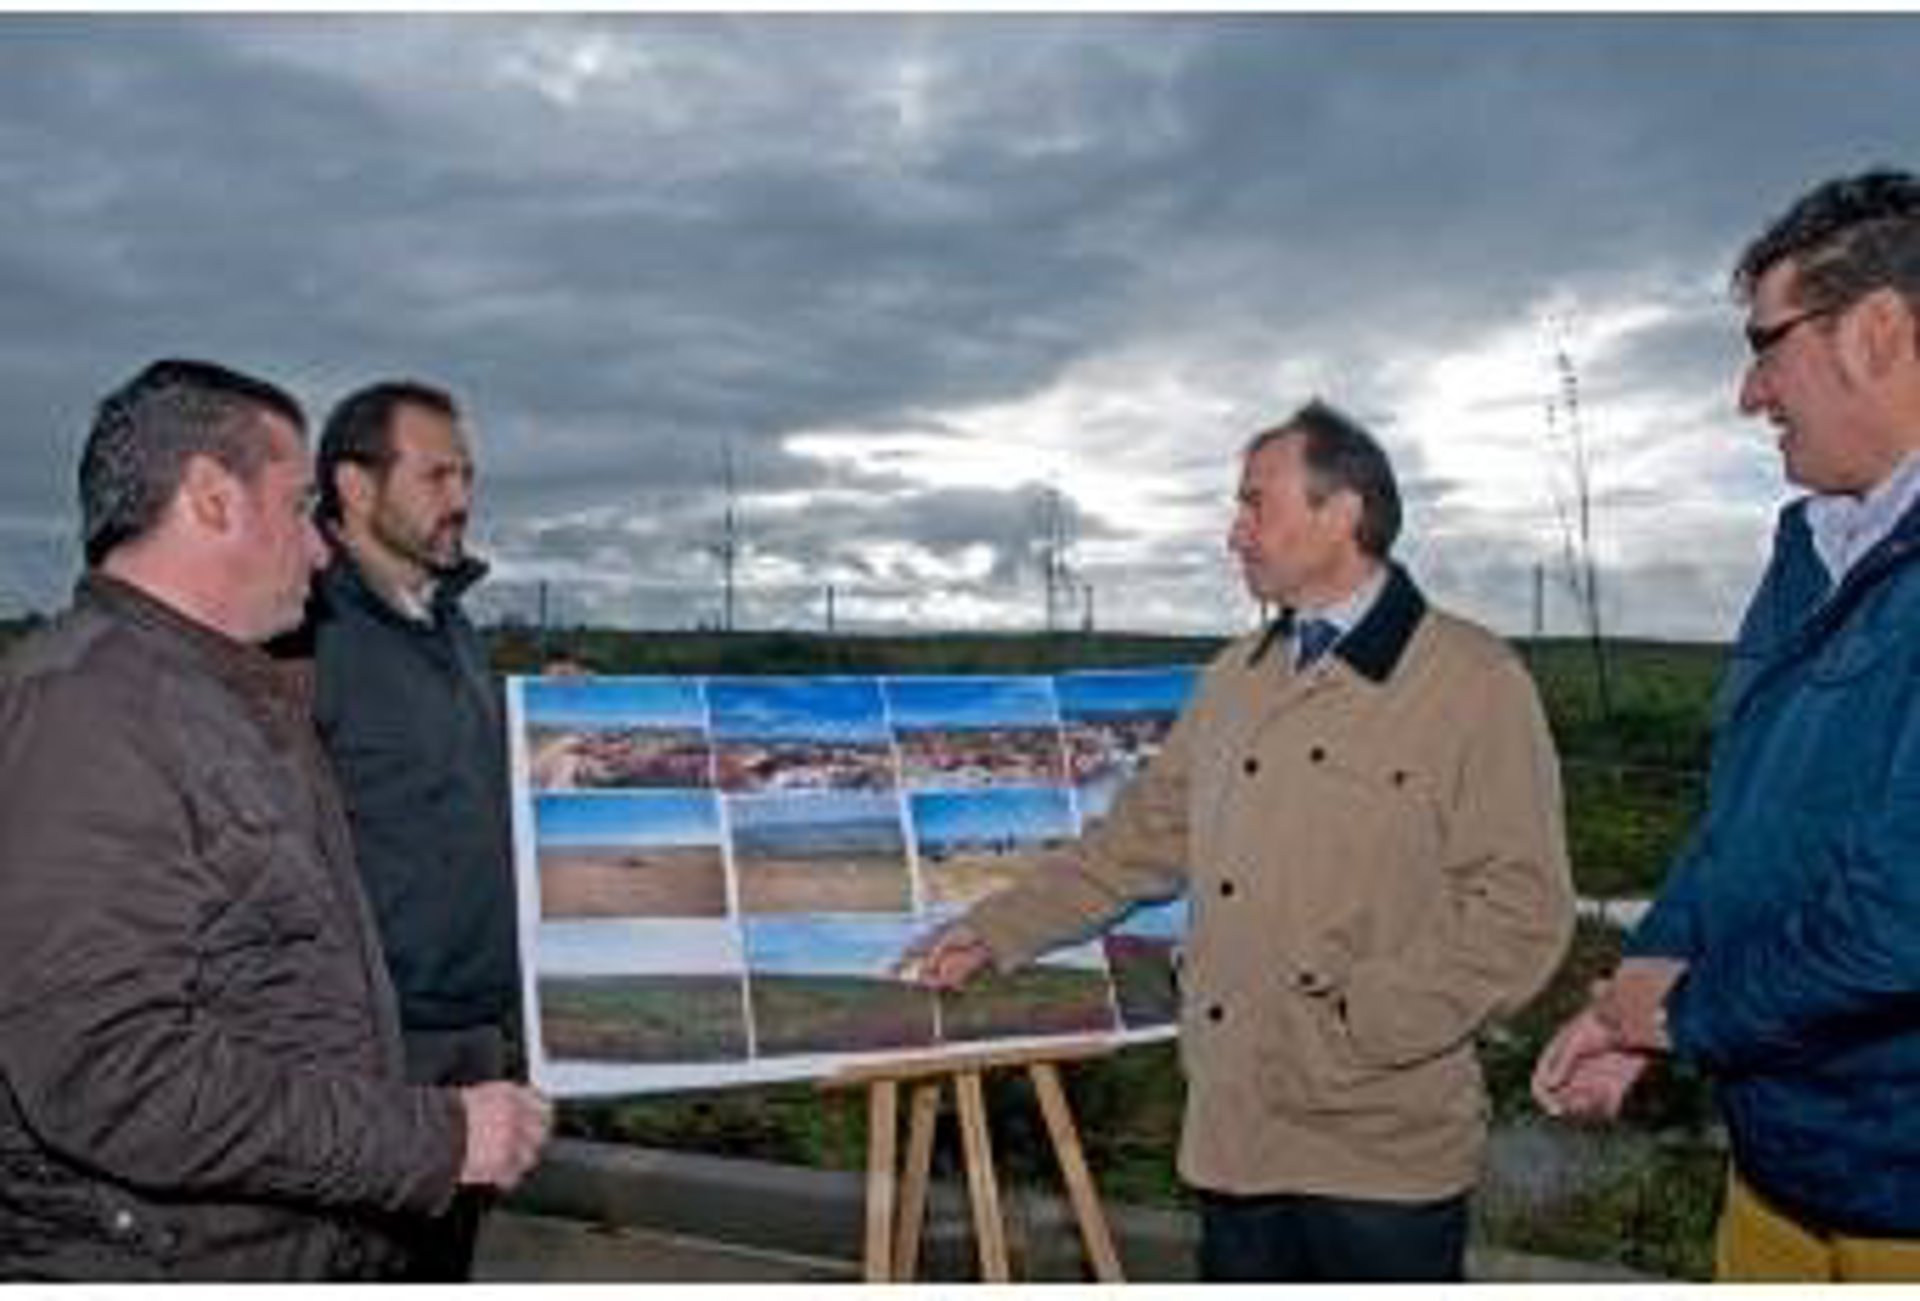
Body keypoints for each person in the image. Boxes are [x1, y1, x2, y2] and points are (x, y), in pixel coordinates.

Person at [905, 399, 1574, 1282]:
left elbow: (1523, 908)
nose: (1234, 532)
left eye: (1256, 503)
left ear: (1341, 512)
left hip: (1380, 1147)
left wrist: (1370, 1021)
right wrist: (994, 929)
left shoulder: (1472, 680)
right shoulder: (1234, 678)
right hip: (1234, 1136)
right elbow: (1136, 841)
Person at [0, 360, 550, 1280]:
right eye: (299, 508)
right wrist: (430, 1137)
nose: (320, 550)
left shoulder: (221, 692)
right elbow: (110, 1070)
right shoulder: (81, 714)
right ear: (212, 499)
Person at [1532, 170, 1920, 1281]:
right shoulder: (1811, 549)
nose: (1751, 394)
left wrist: (1679, 1015)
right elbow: (1740, 822)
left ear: (1877, 331)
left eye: (1766, 345)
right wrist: (1648, 977)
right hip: (1781, 1168)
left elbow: (1899, 923)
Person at [278, 379, 520, 1280]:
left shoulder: (450, 625)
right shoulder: (301, 635)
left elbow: (447, 789)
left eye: (468, 475)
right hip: (370, 1054)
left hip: (474, 1036)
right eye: (436, 475)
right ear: (354, 485)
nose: (461, 497)